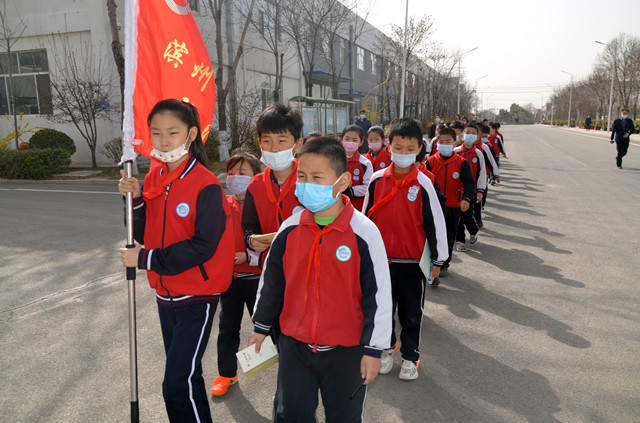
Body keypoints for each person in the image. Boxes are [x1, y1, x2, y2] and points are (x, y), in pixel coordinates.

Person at [248, 137, 392, 422]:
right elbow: (272, 282)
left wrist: (374, 349)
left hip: (347, 352)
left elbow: (378, 295)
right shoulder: (289, 230)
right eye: (301, 176)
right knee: (291, 413)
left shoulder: (365, 233)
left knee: (343, 416)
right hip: (295, 347)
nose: (306, 183)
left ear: (342, 181)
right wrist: (260, 326)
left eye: (317, 177)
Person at [118, 99, 235, 423]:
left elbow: (203, 247)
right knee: (188, 377)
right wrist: (135, 200)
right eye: (156, 133)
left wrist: (145, 259)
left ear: (191, 133)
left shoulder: (206, 184)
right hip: (165, 295)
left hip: (197, 296)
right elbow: (141, 231)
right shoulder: (155, 177)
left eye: (173, 132)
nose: (164, 140)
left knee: (175, 385)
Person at [363, 118, 448, 380]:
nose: (402, 153)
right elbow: (365, 218)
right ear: (389, 146)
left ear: (419, 150)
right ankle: (387, 349)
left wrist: (439, 259)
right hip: (381, 261)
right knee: (383, 310)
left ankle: (411, 357)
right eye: (398, 147)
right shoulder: (377, 180)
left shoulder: (423, 183)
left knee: (411, 312)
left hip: (412, 262)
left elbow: (436, 222)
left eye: (409, 148)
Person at [210, 152, 263, 396]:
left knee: (266, 327)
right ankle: (227, 374)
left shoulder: (263, 205)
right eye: (231, 173)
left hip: (258, 279)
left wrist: (249, 257)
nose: (235, 178)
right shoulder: (221, 204)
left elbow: (275, 243)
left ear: (257, 176)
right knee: (227, 329)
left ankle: (286, 373)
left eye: (242, 173)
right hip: (229, 280)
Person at [242, 103, 304, 267]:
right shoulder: (255, 185)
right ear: (259, 142)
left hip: (307, 267)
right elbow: (249, 226)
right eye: (267, 140)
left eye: (282, 140)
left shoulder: (311, 181)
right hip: (271, 268)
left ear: (297, 144)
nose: (274, 148)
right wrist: (251, 241)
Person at [426, 127, 475, 280]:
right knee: (431, 235)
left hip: (453, 206)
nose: (444, 144)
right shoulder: (430, 161)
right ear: (436, 143)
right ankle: (430, 262)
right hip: (433, 206)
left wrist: (466, 199)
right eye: (441, 142)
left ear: (455, 143)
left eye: (448, 142)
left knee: (448, 236)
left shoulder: (462, 163)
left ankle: (444, 264)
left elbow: (469, 184)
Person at [341, 124, 373, 211]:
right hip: (336, 208)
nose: (350, 142)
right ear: (342, 140)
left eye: (354, 140)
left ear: (361, 142)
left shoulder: (366, 163)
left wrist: (350, 190)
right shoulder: (334, 160)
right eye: (347, 139)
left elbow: (368, 187)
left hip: (357, 208)